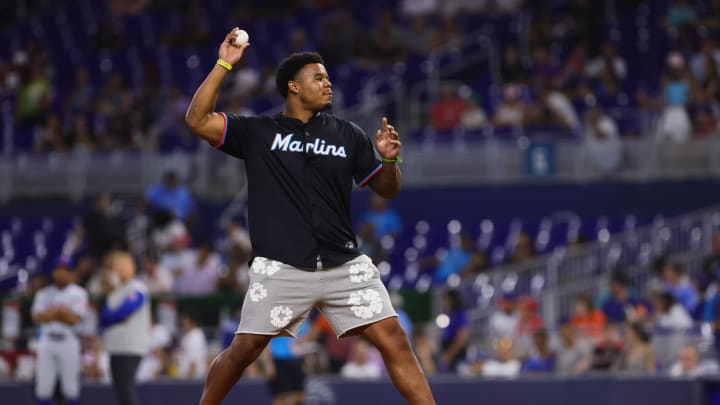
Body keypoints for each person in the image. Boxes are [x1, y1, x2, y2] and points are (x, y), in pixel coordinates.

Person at [185, 29, 435, 405]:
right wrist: (225, 64)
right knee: (245, 350)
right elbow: (197, 119)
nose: (327, 84)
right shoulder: (259, 132)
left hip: (343, 263)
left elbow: (388, 189)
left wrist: (388, 160)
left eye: (328, 78)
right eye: (318, 78)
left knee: (395, 340)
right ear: (293, 87)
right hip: (282, 267)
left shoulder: (347, 134)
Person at [31, 257, 88, 405]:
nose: (61, 274)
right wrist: (61, 313)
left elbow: (75, 319)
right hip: (47, 340)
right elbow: (37, 317)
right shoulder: (43, 293)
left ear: (71, 273)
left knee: (71, 387)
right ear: (53, 272)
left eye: (65, 270)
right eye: (58, 270)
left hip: (68, 341)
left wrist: (52, 314)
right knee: (43, 387)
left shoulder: (79, 293)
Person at [100, 252, 152, 405]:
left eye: (124, 266)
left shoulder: (138, 288)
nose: (121, 270)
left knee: (126, 390)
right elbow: (103, 318)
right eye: (118, 267)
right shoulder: (115, 291)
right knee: (121, 393)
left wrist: (115, 315)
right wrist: (116, 315)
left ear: (132, 268)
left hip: (131, 347)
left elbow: (124, 311)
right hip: (115, 347)